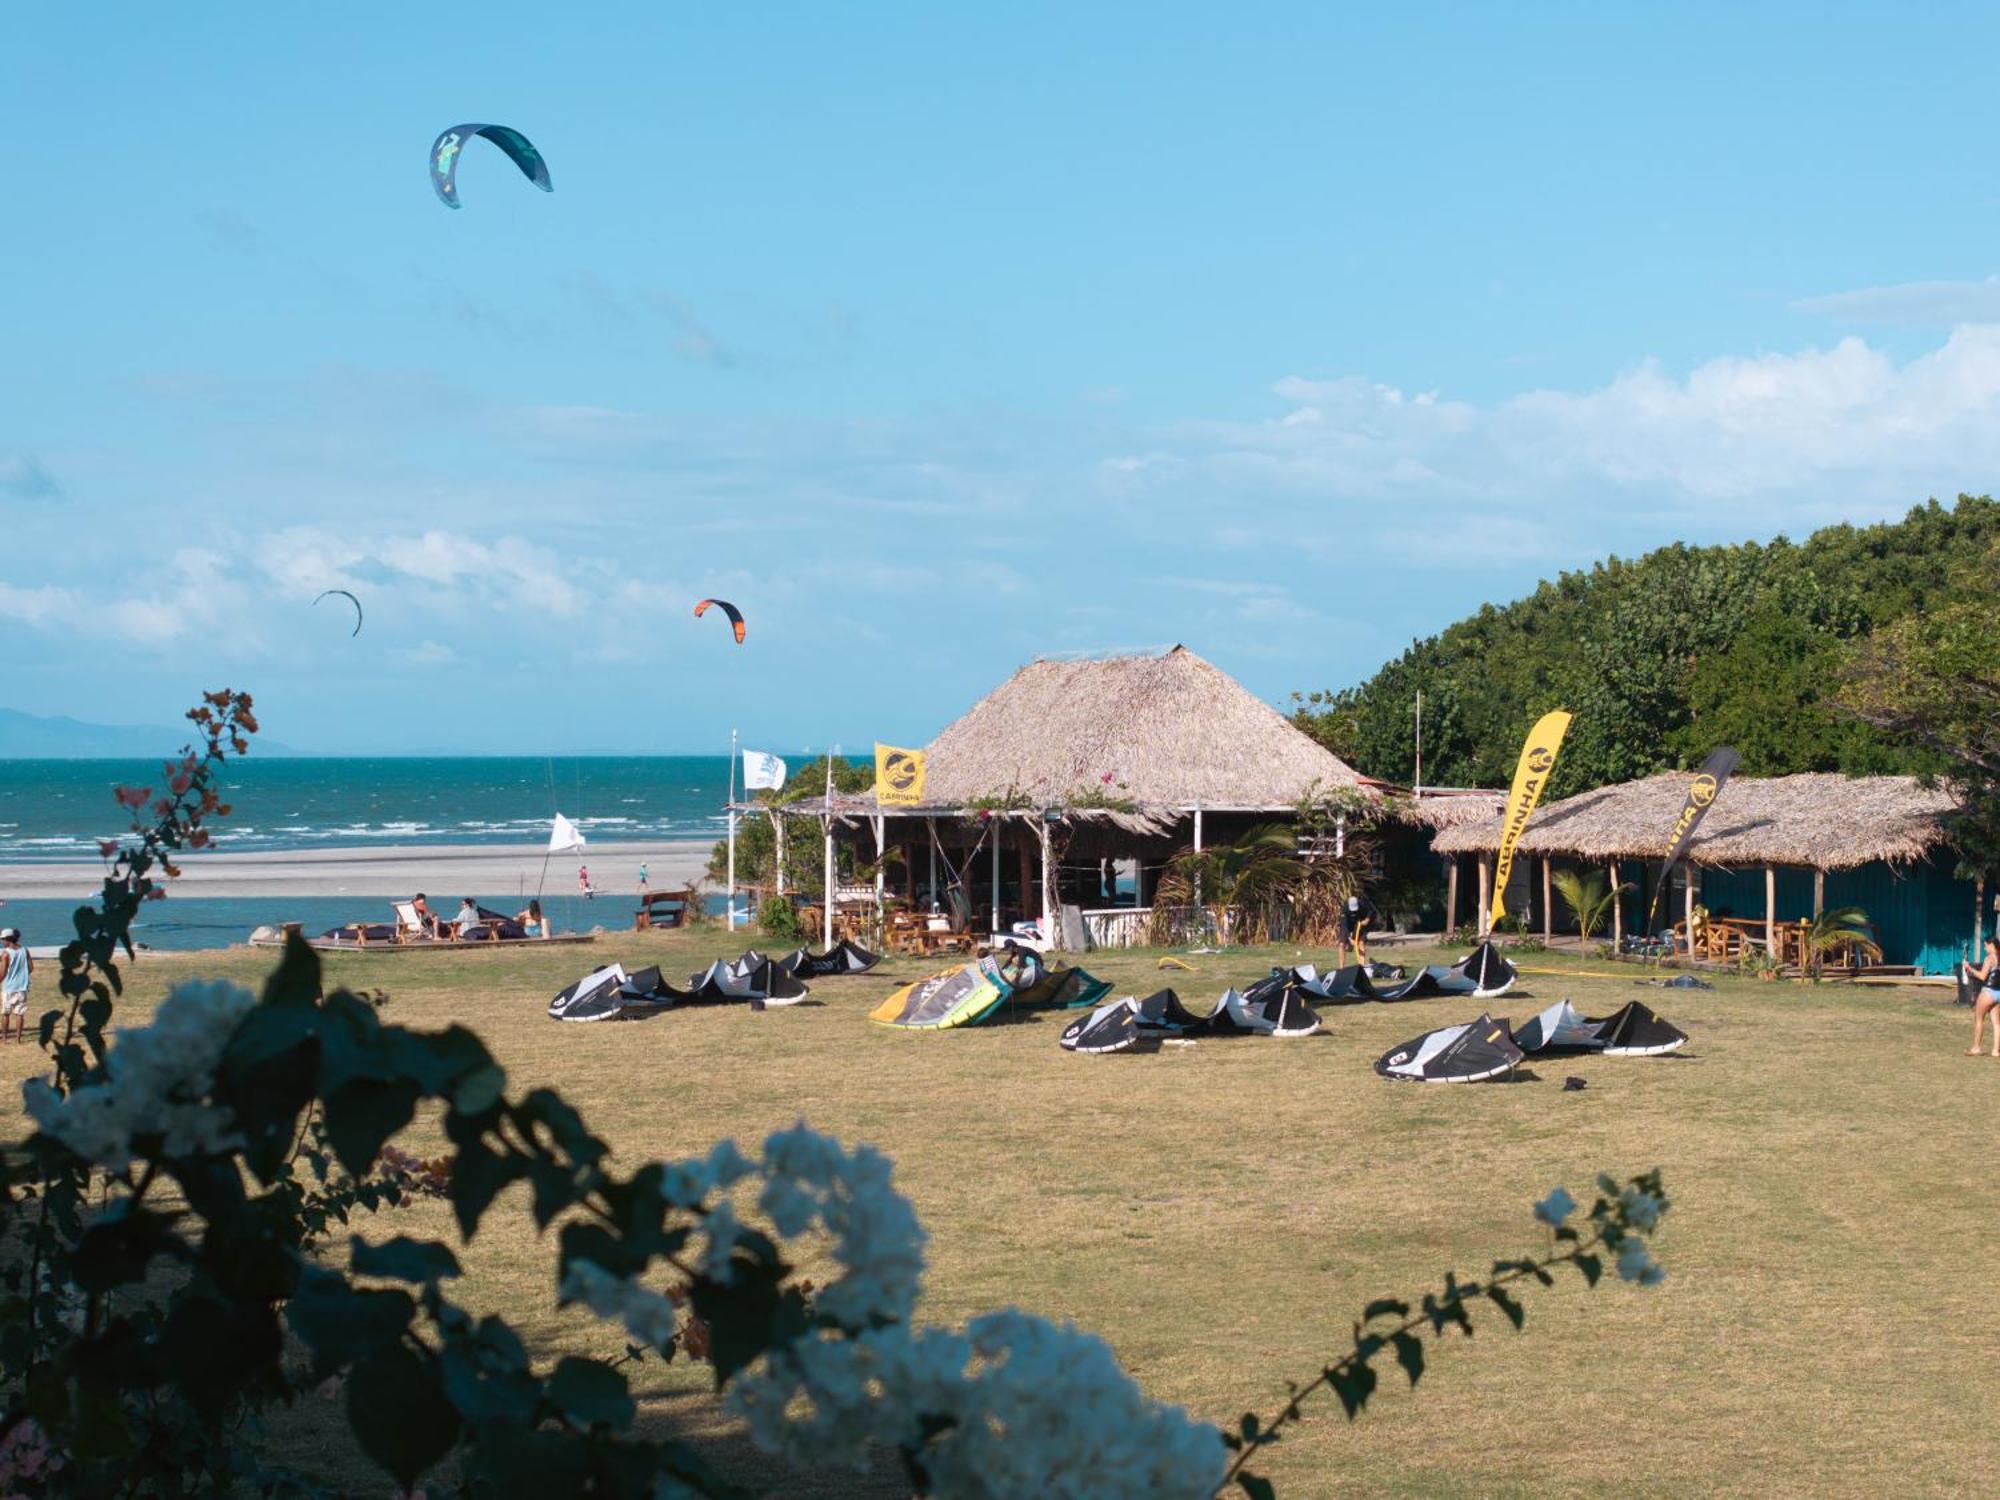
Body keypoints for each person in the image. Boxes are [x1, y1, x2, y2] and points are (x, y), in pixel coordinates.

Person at [1968, 936, 2000, 1057]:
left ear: (1991, 945)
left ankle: (1976, 1047)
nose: (1985, 948)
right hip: (1998, 993)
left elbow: (1982, 976)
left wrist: (1970, 969)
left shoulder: (1989, 959)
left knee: (1979, 1019)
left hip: (1988, 992)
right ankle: (1996, 1050)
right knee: (1997, 1023)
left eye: (1985, 945)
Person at [0, 929, 30, 1044]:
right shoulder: (25, 950)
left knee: (6, 1014)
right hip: (22, 988)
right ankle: (18, 1039)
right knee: (19, 1014)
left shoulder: (6, 953)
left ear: (8, 939)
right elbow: (30, 968)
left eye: (3, 939)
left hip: (8, 988)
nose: (2, 941)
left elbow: (2, 973)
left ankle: (4, 1039)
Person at [1337, 891, 1379, 967]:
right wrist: (1349, 939)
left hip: (1359, 924)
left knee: (1361, 943)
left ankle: (1361, 966)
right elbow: (1344, 925)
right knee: (1341, 944)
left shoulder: (1361, 904)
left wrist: (1367, 919)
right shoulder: (1345, 908)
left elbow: (1371, 911)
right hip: (1347, 925)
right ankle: (1341, 967)